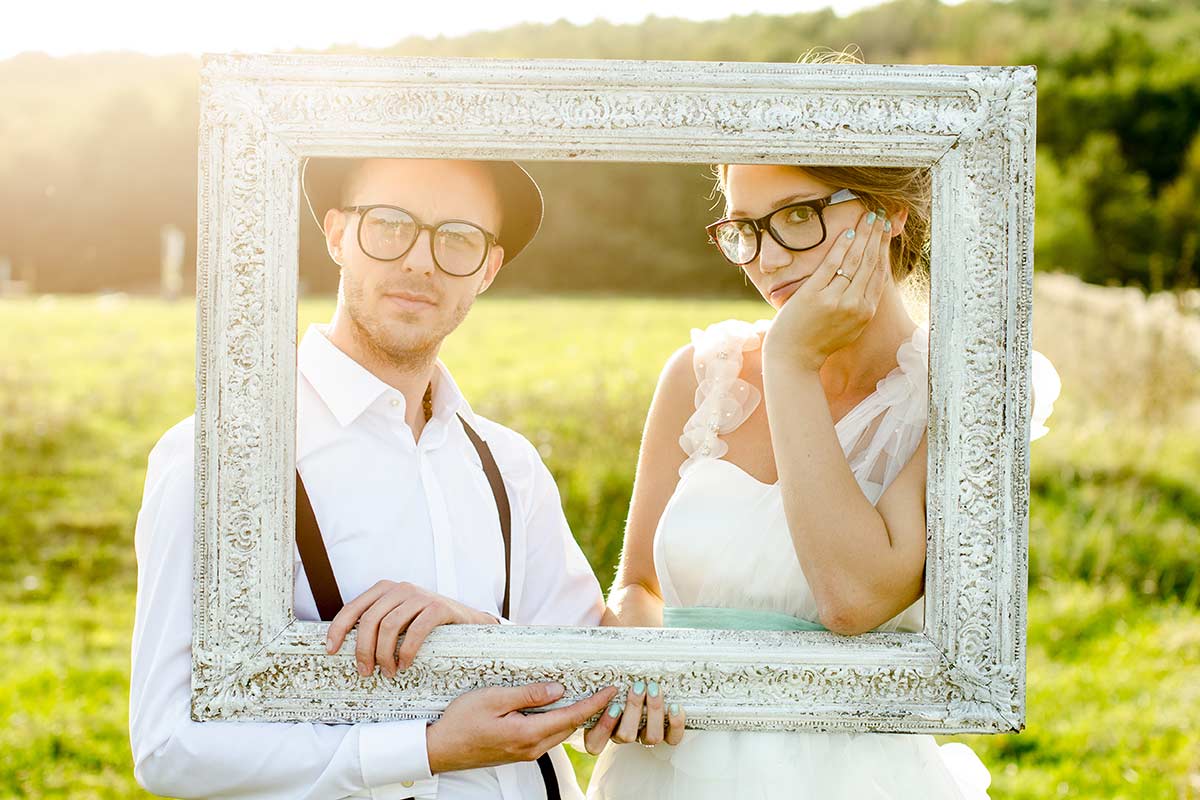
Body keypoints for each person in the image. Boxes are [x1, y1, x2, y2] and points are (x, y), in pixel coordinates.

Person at [129, 156, 619, 800]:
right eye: (389, 225)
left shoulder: (510, 463)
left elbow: (592, 675)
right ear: (336, 234)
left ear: (488, 269)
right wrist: (423, 749)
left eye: (458, 239)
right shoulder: (222, 455)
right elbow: (169, 744)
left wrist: (477, 631)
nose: (421, 260)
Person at [581, 158, 1060, 798]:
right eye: (745, 228)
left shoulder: (971, 394)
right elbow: (639, 584)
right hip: (667, 772)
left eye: (798, 216)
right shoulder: (701, 375)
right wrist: (640, 668)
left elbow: (851, 598)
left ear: (890, 210)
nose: (766, 259)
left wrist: (791, 364)